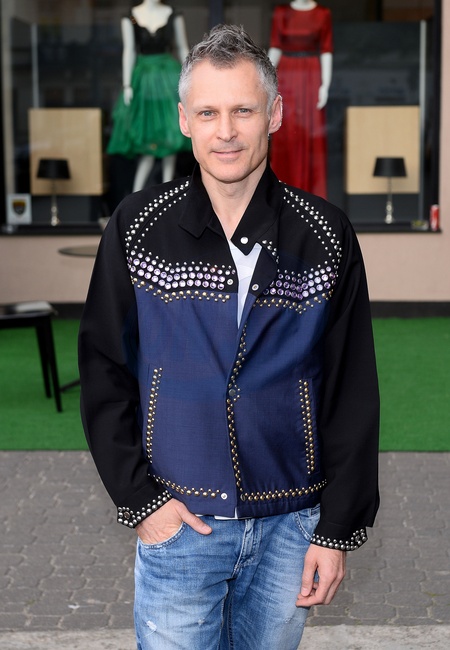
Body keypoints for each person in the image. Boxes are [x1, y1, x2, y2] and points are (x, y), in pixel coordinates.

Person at [79, 23, 379, 650]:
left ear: (275, 114)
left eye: (243, 110)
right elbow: (105, 368)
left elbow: (351, 388)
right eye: (208, 112)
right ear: (183, 120)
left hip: (291, 525)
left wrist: (336, 528)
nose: (226, 131)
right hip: (180, 522)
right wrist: (142, 502)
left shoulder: (325, 234)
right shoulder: (137, 226)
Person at [107, 0, 191, 192]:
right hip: (144, 80)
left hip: (168, 77)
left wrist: (191, 78)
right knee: (147, 142)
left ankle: (168, 191)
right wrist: (127, 85)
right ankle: (136, 196)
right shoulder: (130, 16)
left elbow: (183, 47)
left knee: (170, 135)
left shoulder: (173, 14)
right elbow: (128, 50)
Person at [268, 0, 333, 197]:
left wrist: (325, 85)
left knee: (311, 133)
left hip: (311, 76)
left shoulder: (322, 14)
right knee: (285, 132)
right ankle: (282, 192)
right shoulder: (281, 13)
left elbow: (326, 50)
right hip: (287, 76)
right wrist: (264, 81)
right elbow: (275, 48)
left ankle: (310, 194)